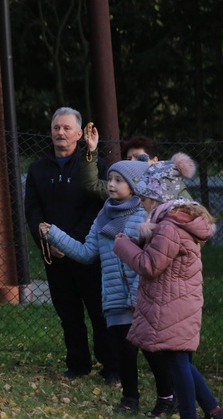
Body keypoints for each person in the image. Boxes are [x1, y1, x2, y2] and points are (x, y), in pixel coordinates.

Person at [39, 159, 176, 415]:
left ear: (134, 185)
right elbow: (87, 252)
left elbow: (149, 258)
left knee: (150, 349)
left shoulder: (144, 215)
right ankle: (130, 398)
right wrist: (55, 234)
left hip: (141, 297)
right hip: (114, 296)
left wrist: (138, 294)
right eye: (110, 179)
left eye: (118, 180)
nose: (110, 184)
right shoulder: (103, 215)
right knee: (124, 351)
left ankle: (167, 397)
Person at [114, 153, 223, 419]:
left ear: (156, 197)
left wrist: (123, 245)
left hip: (173, 303)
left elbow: (150, 265)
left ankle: (189, 414)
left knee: (177, 361)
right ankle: (213, 409)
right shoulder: (171, 222)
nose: (141, 204)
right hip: (177, 301)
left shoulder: (169, 227)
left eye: (143, 198)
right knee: (179, 359)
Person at [24, 107, 120, 383]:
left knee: (99, 314)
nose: (60, 133)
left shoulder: (95, 165)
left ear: (79, 134)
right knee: (69, 315)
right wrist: (48, 242)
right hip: (54, 257)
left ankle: (112, 367)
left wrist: (72, 242)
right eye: (56, 128)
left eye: (67, 128)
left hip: (88, 255)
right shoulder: (37, 169)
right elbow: (33, 211)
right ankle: (78, 365)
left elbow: (96, 209)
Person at [81, 125, 189, 202]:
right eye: (129, 158)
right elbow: (92, 185)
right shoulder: (122, 185)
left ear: (155, 161)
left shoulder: (171, 185)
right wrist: (92, 150)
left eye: (138, 157)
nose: (132, 161)